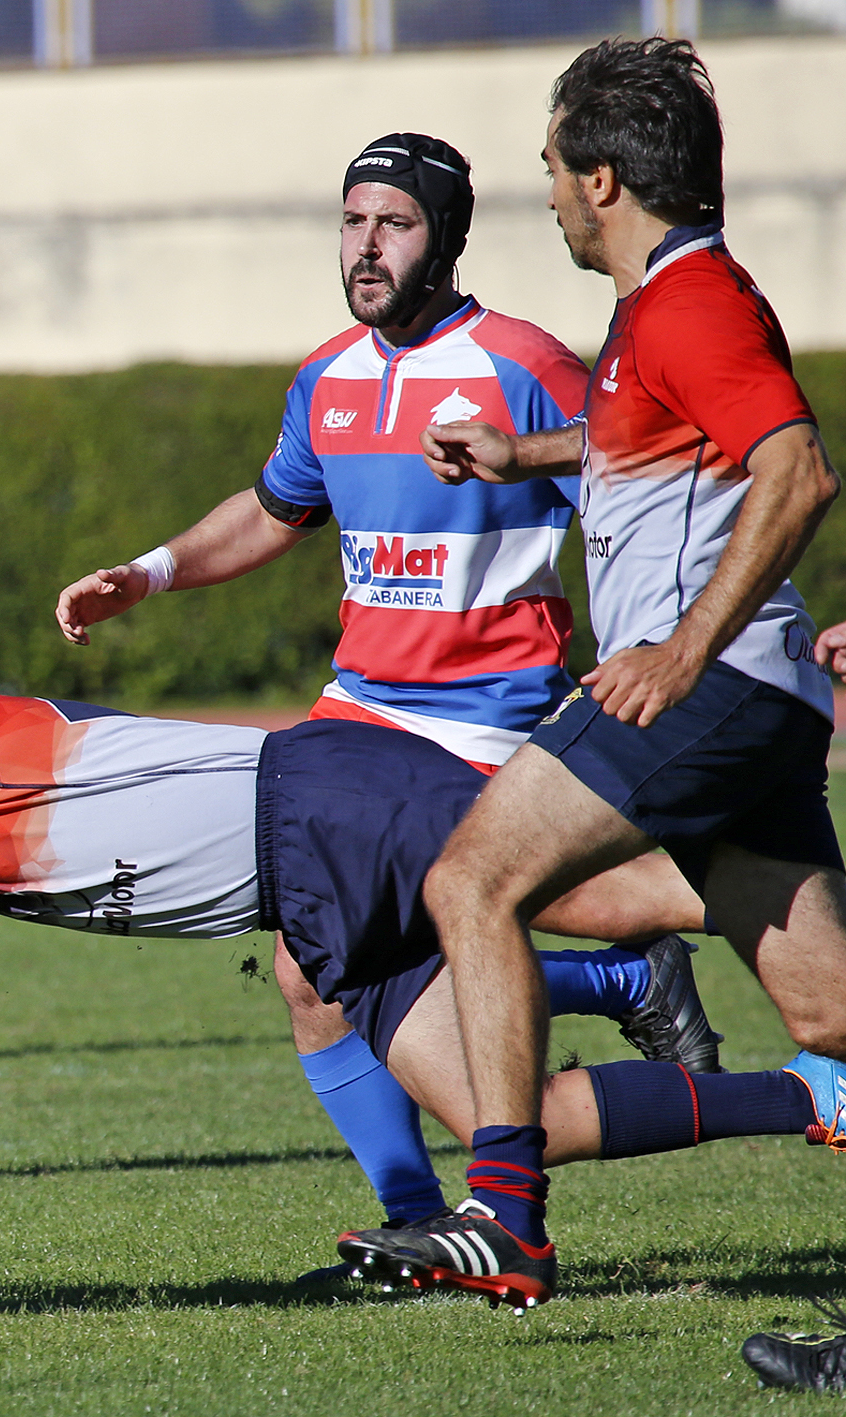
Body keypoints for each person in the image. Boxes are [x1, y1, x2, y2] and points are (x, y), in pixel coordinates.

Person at [0, 668, 840, 1314]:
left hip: (317, 801)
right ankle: (814, 1094)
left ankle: (791, 889)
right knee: (507, 1118)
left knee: (605, 895)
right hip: (307, 896)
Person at [52, 133, 717, 1248]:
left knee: (526, 909)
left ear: (444, 240)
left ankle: (661, 974)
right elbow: (275, 509)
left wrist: (651, 635)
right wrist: (150, 572)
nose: (366, 246)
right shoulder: (327, 377)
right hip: (361, 715)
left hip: (498, 724)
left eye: (394, 223)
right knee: (307, 962)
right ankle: (416, 1215)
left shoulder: (522, 362)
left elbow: (635, 473)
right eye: (353, 221)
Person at [375, 37, 845, 1328]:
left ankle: (505, 1218)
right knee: (824, 1007)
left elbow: (794, 471)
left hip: (708, 688)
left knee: (468, 880)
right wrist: (521, 448)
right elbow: (646, 432)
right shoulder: (659, 312)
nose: (540, 195)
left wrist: (681, 648)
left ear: (599, 182)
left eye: (545, 170)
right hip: (755, 701)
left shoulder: (693, 300)